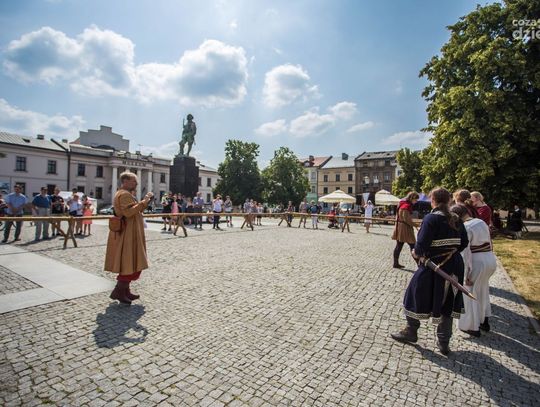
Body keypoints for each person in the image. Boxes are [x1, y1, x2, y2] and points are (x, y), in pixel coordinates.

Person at [391, 187, 469, 355]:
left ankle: (411, 331)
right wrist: (450, 251)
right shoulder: (456, 218)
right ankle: (444, 343)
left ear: (433, 201)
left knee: (414, 293)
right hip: (455, 265)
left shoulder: (431, 218)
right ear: (449, 201)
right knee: (448, 301)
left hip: (434, 264)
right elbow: (463, 243)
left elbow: (420, 247)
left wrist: (416, 253)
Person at [105, 171, 153, 304]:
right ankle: (119, 291)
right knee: (129, 261)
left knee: (130, 262)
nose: (136, 183)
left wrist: (144, 203)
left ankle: (124, 291)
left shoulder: (124, 193)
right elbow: (128, 212)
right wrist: (144, 201)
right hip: (128, 233)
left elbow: (133, 210)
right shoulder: (125, 194)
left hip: (130, 231)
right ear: (125, 181)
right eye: (134, 181)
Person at [450, 204, 497, 337]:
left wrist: (465, 275)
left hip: (477, 262)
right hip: (489, 259)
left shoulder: (466, 227)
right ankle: (483, 320)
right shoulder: (481, 222)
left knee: (468, 293)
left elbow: (466, 253)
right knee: (482, 290)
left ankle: (471, 326)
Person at [392, 192, 419, 268]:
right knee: (413, 246)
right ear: (411, 198)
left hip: (401, 227)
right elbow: (406, 219)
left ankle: (395, 263)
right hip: (404, 228)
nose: (416, 201)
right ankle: (419, 265)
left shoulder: (403, 204)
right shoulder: (406, 206)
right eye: (415, 199)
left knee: (399, 246)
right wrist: (416, 225)